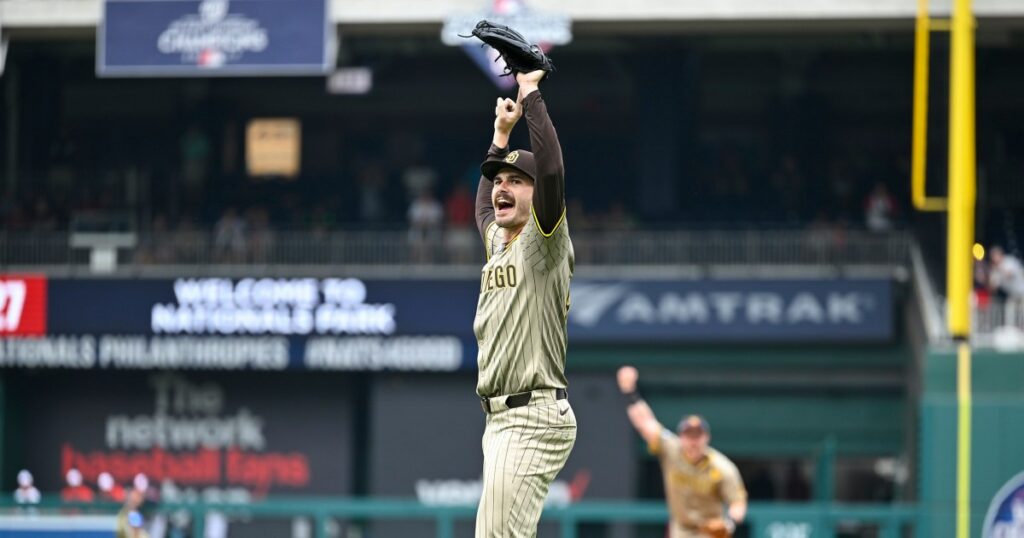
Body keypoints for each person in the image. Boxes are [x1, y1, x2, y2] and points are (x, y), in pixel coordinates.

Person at [472, 69, 576, 537]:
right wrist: (499, 136)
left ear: (537, 198)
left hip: (530, 415)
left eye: (516, 181)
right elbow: (481, 210)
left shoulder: (542, 239)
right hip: (502, 420)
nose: (501, 188)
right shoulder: (500, 240)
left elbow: (551, 168)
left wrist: (531, 93)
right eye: (499, 180)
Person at [617, 366, 747, 538]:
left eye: (697, 436)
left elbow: (738, 503)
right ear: (681, 437)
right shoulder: (671, 449)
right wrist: (630, 393)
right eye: (688, 435)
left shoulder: (722, 467)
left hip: (710, 533)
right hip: (680, 531)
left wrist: (728, 522)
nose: (693, 441)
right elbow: (645, 423)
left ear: (706, 438)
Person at [988, 246, 1024, 326]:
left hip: (1022, 292)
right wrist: (990, 276)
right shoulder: (995, 270)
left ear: (1000, 254)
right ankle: (1011, 329)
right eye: (993, 256)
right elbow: (993, 288)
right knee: (1009, 310)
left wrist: (999, 269)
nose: (994, 258)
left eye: (995, 255)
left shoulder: (1009, 261)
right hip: (1013, 294)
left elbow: (1010, 275)